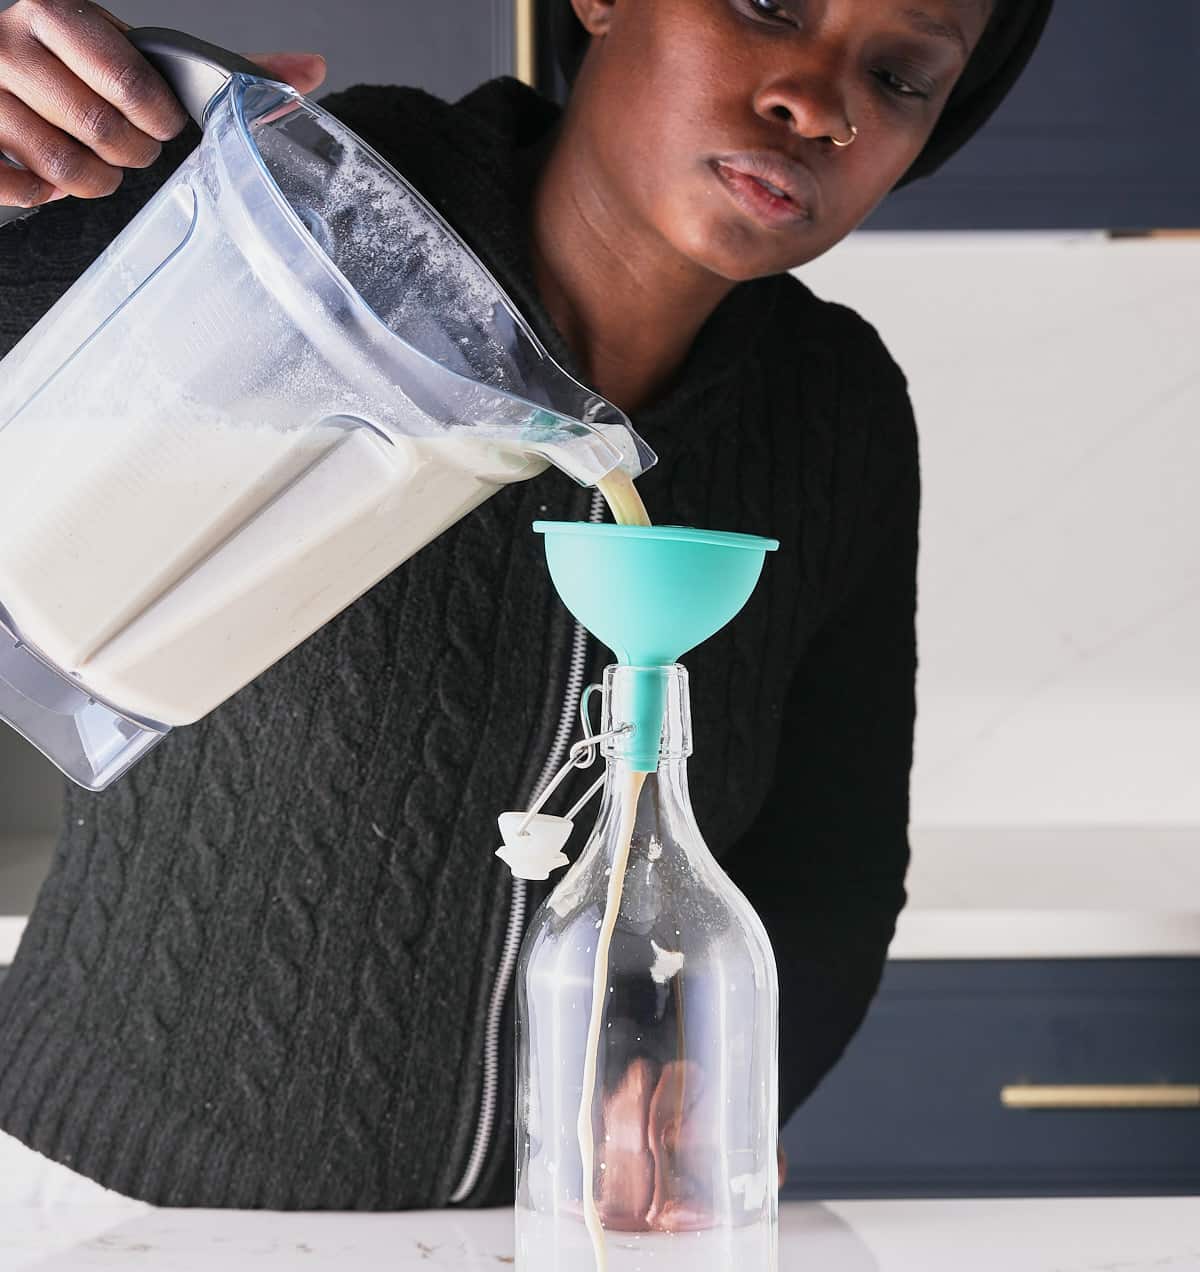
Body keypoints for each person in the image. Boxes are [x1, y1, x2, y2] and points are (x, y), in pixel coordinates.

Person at [0, 0, 1053, 1209]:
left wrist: (721, 1095)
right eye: (768, 4)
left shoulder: (836, 413)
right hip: (100, 1212)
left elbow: (833, 863)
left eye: (902, 76)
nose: (819, 101)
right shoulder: (299, 228)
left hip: (535, 1264)